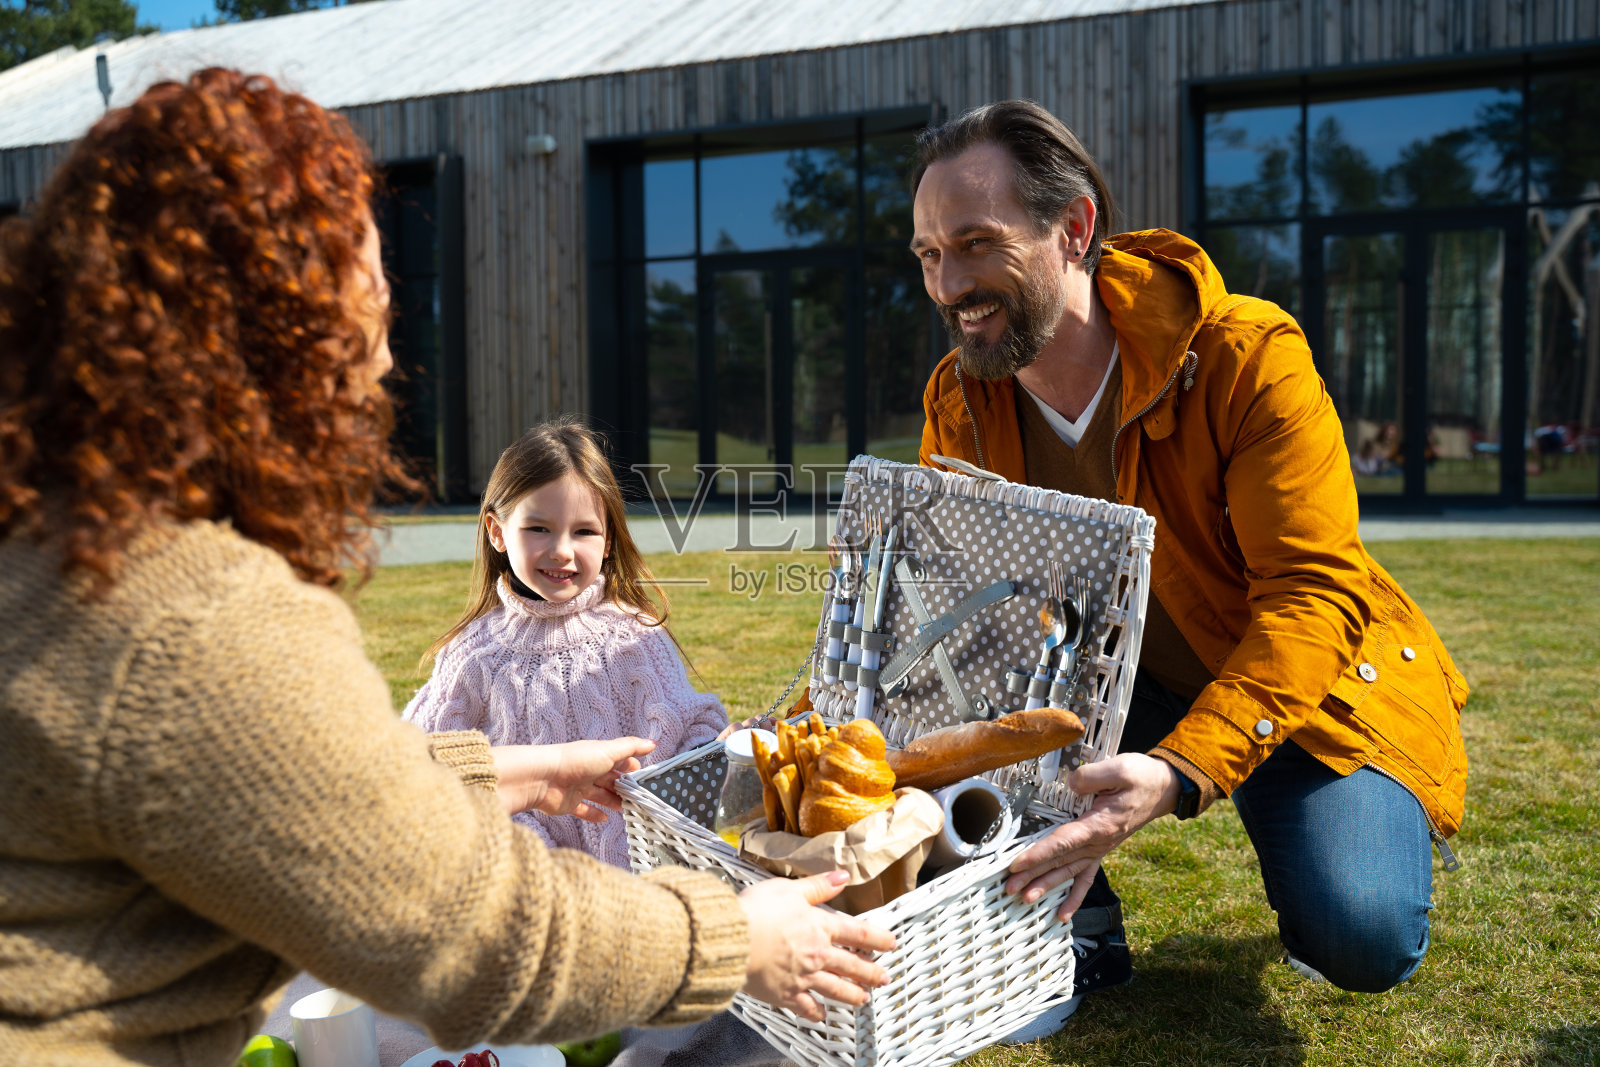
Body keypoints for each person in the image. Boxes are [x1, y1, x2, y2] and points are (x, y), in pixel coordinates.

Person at [0, 68, 894, 1067]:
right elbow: (462, 928)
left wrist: (526, 768)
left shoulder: (49, 542)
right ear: (278, 333)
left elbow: (317, 785)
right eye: (371, 295)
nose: (385, 359)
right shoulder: (193, 616)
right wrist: (732, 937)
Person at [909, 100, 1468, 1026]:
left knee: (1362, 936)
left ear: (1075, 229)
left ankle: (1369, 813)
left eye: (974, 242)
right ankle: (1081, 928)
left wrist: (1179, 769)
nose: (948, 284)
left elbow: (1310, 598)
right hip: (1117, 687)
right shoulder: (959, 400)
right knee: (964, 700)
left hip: (1309, 692)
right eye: (929, 254)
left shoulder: (1249, 356)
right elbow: (959, 613)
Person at [404, 418, 728, 869]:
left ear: (609, 540)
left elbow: (681, 739)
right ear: (497, 532)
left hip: (639, 885)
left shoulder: (636, 639)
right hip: (525, 888)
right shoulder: (471, 655)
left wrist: (719, 749)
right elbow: (415, 767)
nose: (561, 550)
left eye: (583, 531)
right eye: (538, 528)